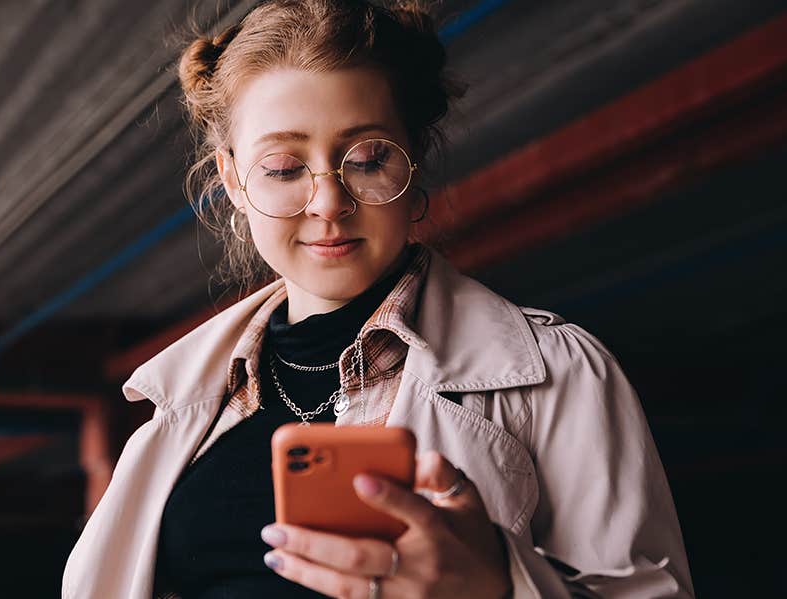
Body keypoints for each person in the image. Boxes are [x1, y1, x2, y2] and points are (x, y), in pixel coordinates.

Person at [63, 0, 693, 597]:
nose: (329, 202)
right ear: (231, 178)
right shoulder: (180, 408)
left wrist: (500, 586)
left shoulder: (556, 374)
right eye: (284, 168)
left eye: (366, 158)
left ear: (413, 161)